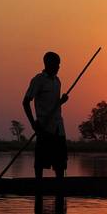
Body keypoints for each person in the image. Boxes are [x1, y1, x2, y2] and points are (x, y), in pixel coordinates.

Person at [23, 51, 69, 179]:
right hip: (44, 128)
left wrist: (61, 101)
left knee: (60, 164)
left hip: (58, 129)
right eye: (56, 64)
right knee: (40, 163)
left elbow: (54, 104)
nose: (58, 67)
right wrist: (33, 124)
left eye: (59, 65)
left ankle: (59, 189)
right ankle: (39, 189)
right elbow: (26, 102)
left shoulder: (57, 81)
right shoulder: (38, 80)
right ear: (48, 64)